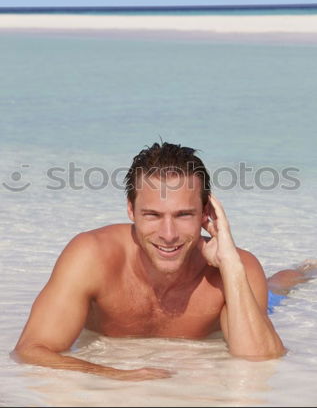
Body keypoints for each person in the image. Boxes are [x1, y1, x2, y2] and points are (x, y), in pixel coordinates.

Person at [11, 142, 316, 381]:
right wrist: (114, 376)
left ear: (206, 212)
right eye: (153, 215)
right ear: (131, 210)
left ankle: (305, 270)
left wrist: (232, 267)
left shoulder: (235, 268)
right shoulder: (91, 256)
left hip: (248, 290)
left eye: (183, 215)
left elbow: (259, 364)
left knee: (277, 287)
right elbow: (31, 351)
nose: (168, 234)